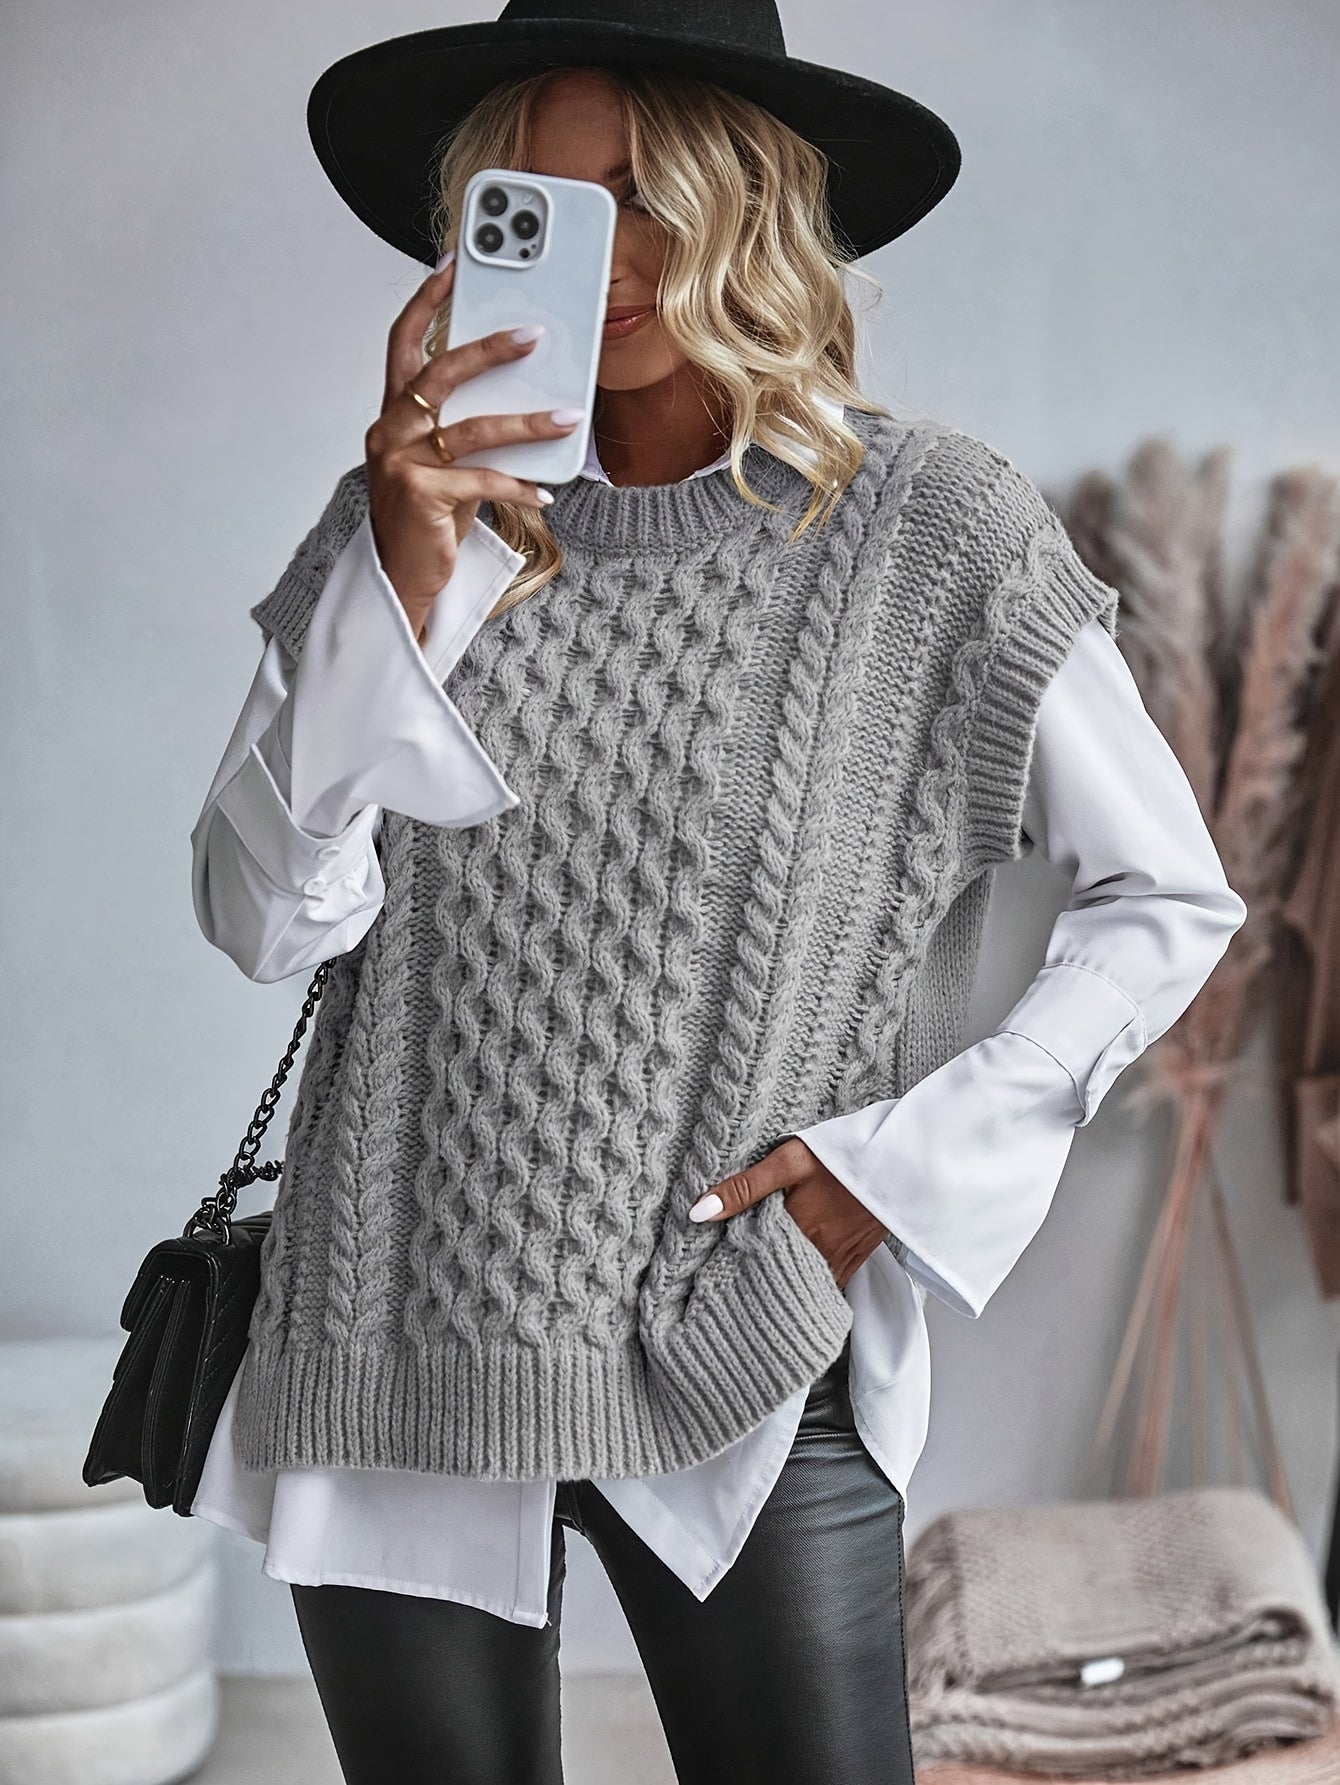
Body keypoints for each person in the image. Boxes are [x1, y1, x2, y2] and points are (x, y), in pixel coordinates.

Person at [187, 6, 1247, 1781]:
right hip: (388, 1347)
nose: (605, 257)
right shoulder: (408, 526)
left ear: (746, 200)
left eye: (644, 194)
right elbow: (261, 916)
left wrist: (887, 1178)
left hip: (737, 1339)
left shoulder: (930, 531)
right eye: (546, 204)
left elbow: (1169, 898)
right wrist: (400, 584)